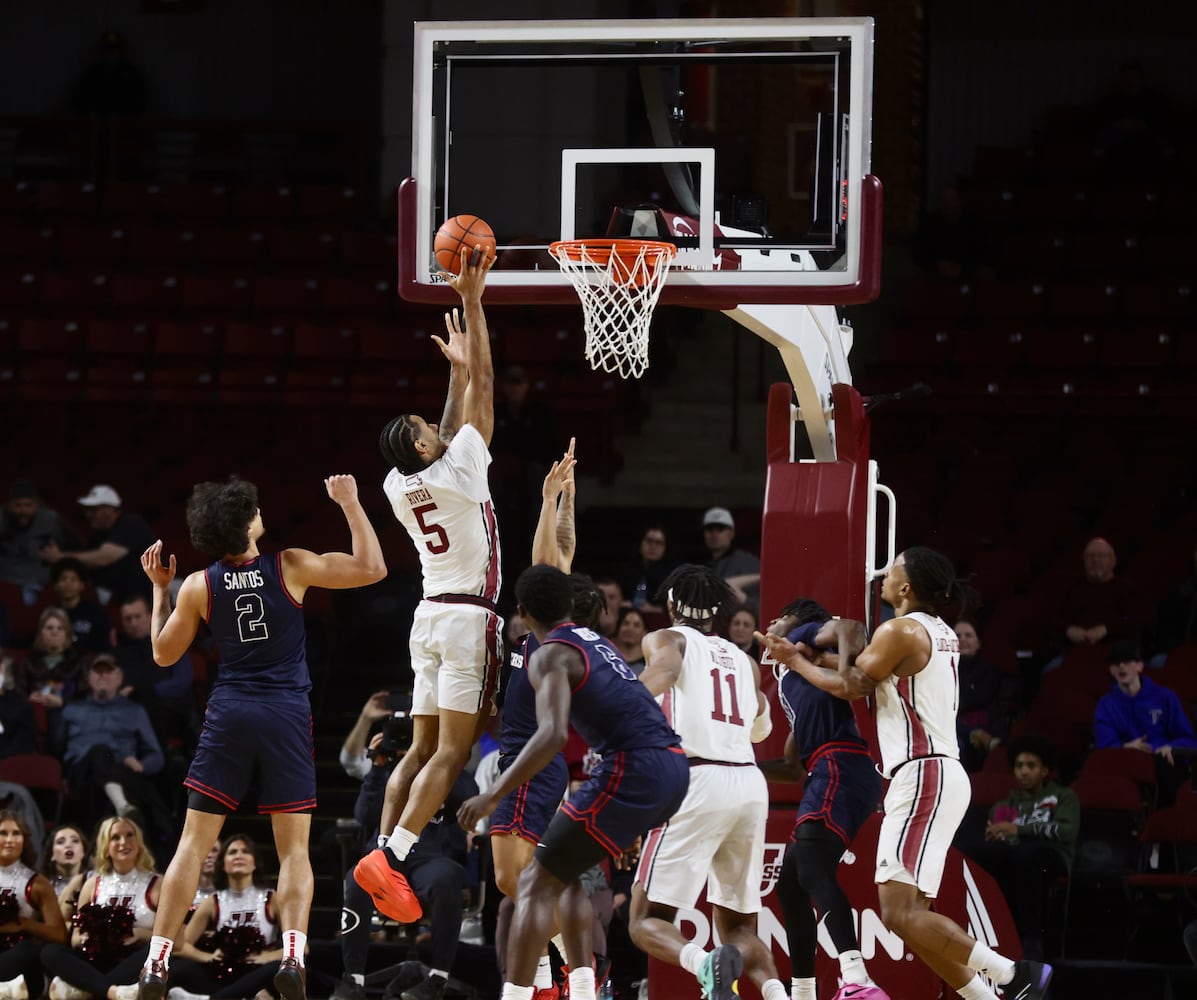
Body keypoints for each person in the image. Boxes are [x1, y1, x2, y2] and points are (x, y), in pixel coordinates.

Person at [757, 547, 1053, 1000]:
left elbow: (853, 684)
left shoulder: (899, 629)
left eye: (891, 572)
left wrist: (797, 662)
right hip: (937, 773)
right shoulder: (940, 631)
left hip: (922, 774)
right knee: (914, 917)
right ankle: (987, 996)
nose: (882, 579)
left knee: (899, 914)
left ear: (907, 587)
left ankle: (1014, 974)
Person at [134, 473, 387, 1000]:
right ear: (247, 525)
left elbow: (162, 654)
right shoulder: (289, 563)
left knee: (190, 845)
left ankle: (156, 963)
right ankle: (292, 953)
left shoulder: (200, 584)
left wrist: (161, 590)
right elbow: (373, 568)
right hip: (285, 714)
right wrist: (350, 503)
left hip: (229, 712)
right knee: (294, 851)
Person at [456, 564, 689, 1000]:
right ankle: (581, 986)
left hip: (632, 767)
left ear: (522, 613)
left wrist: (492, 793)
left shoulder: (549, 653)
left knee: (535, 883)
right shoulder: (598, 642)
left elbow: (554, 734)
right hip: (672, 768)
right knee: (554, 875)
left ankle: (532, 990)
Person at [356, 247, 503, 928]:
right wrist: (474, 310)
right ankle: (398, 852)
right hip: (467, 619)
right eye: (423, 430)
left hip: (427, 616)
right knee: (452, 751)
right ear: (421, 449)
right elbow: (483, 405)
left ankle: (380, 848)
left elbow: (448, 429)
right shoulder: (459, 472)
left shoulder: (398, 482)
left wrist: (453, 373)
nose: (431, 426)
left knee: (417, 747)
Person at [630, 565, 786, 1000]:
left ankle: (704, 964)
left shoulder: (668, 639)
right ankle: (778, 994)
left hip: (698, 778)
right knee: (738, 925)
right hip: (749, 785)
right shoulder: (745, 660)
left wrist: (618, 705)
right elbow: (761, 729)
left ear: (672, 606)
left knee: (645, 919)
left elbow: (660, 672)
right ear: (716, 610)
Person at [760, 597, 885, 1000]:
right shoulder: (791, 681)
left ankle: (856, 980)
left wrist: (844, 669)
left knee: (812, 867)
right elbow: (792, 766)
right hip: (826, 768)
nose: (774, 620)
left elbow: (850, 627)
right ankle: (804, 991)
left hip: (840, 765)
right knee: (792, 886)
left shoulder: (804, 637)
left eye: (781, 615)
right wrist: (741, 766)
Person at [489, 444, 578, 1000]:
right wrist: (565, 498)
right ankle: (555, 978)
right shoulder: (543, 633)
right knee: (529, 883)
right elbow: (560, 553)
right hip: (535, 767)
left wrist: (549, 500)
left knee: (509, 879)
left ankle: (575, 967)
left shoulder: (552, 636)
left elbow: (551, 560)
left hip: (529, 766)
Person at [339, 694, 478, 1000]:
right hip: (387, 856)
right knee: (356, 880)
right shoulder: (386, 771)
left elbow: (470, 796)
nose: (405, 746)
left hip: (431, 857)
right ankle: (353, 980)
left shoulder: (445, 768)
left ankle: (438, 978)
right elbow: (364, 815)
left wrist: (435, 760)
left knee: (445, 880)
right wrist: (378, 767)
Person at [957, 734, 1078, 962]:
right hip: (1017, 856)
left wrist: (1017, 830)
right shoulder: (1003, 806)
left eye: (1031, 766)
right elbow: (997, 839)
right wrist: (1003, 835)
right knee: (974, 852)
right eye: (1019, 766)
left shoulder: (1064, 797)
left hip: (1053, 855)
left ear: (1044, 770)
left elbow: (1066, 832)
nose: (1024, 771)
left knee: (1024, 856)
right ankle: (982, 933)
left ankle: (1032, 940)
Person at [41, 814, 161, 1000]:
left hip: (135, 959)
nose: (123, 842)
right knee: (50, 952)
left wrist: (140, 934)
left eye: (130, 835)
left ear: (139, 842)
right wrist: (90, 937)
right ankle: (113, 992)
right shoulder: (92, 884)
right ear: (105, 846)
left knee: (157, 951)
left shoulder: (157, 883)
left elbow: (175, 941)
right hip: (98, 959)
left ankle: (88, 990)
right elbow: (75, 938)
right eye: (115, 838)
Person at [61, 655, 172, 842]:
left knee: (152, 797)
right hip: (82, 771)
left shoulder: (135, 711)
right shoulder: (72, 709)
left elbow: (156, 755)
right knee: (100, 750)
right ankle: (122, 807)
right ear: (88, 677)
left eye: (109, 671)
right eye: (98, 671)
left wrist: (142, 765)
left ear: (120, 678)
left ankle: (164, 850)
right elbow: (56, 747)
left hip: (122, 770)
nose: (103, 676)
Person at [161, 834, 283, 1000]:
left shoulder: (272, 898)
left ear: (255, 862)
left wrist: (267, 957)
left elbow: (301, 947)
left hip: (259, 970)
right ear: (223, 864)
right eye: (232, 852)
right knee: (179, 968)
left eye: (245, 851)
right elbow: (182, 946)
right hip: (224, 974)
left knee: (277, 968)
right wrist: (208, 957)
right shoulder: (213, 901)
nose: (238, 855)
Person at [1094, 640, 1197, 805]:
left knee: (1167, 767)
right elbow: (1104, 746)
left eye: (1127, 661)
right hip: (1128, 761)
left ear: (1140, 666)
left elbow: (1189, 738)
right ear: (1110, 670)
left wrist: (1172, 747)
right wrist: (1126, 747)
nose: (1121, 666)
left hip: (1164, 761)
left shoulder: (1165, 697)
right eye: (1115, 662)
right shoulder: (1106, 704)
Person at [41, 486, 155, 606]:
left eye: (93, 510)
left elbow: (103, 557)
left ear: (109, 510)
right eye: (87, 510)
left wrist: (60, 557)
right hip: (121, 597)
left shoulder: (130, 523)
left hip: (147, 594)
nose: (88, 515)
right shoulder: (98, 536)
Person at [0, 809, 69, 1000]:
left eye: (16, 834)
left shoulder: (37, 882)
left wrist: (24, 924)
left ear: (25, 840)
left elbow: (60, 934)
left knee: (28, 949)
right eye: (3, 833)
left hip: (21, 962)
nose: (10, 840)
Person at [114, 594, 196, 751]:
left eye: (138, 617)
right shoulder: (117, 653)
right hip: (131, 712)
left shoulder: (172, 643)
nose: (134, 623)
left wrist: (148, 691)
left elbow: (183, 681)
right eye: (128, 619)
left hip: (170, 710)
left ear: (150, 616)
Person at [1052, 536, 1140, 664]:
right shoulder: (1072, 589)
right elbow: (1055, 620)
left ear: (1113, 561)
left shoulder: (1127, 589)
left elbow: (1137, 620)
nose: (1095, 560)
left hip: (1117, 654)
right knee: (1050, 672)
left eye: (1101, 556)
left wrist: (1106, 629)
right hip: (1076, 652)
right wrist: (1068, 630)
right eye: (1090, 556)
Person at [0, 480, 77, 595]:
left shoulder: (51, 519)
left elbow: (73, 546)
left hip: (39, 581)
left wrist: (58, 555)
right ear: (9, 505)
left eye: (28, 505)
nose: (23, 510)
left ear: (37, 505)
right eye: (18, 505)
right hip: (6, 581)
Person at [954, 620, 1008, 773]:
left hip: (976, 721)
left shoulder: (988, 671)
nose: (962, 639)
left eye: (968, 635)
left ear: (978, 643)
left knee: (957, 743)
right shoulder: (942, 669)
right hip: (950, 723)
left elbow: (977, 700)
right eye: (957, 636)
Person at [700, 508, 760, 615]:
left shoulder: (748, 562)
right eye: (709, 529)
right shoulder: (701, 566)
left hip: (740, 624)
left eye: (720, 529)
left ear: (731, 533)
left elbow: (758, 603)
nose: (714, 534)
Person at [50, 558, 114, 653]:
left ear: (82, 585)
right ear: (56, 585)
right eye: (63, 579)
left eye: (73, 579)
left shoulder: (97, 614)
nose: (68, 584)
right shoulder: (50, 615)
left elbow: (105, 648)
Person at [618, 525, 676, 614]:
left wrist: (655, 609)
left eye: (659, 543)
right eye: (649, 541)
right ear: (640, 543)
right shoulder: (626, 570)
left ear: (666, 547)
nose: (653, 546)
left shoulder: (672, 575)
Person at [611, 608, 647, 675]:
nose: (630, 629)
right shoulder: (607, 654)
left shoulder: (650, 662)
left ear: (644, 633)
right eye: (626, 623)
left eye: (636, 625)